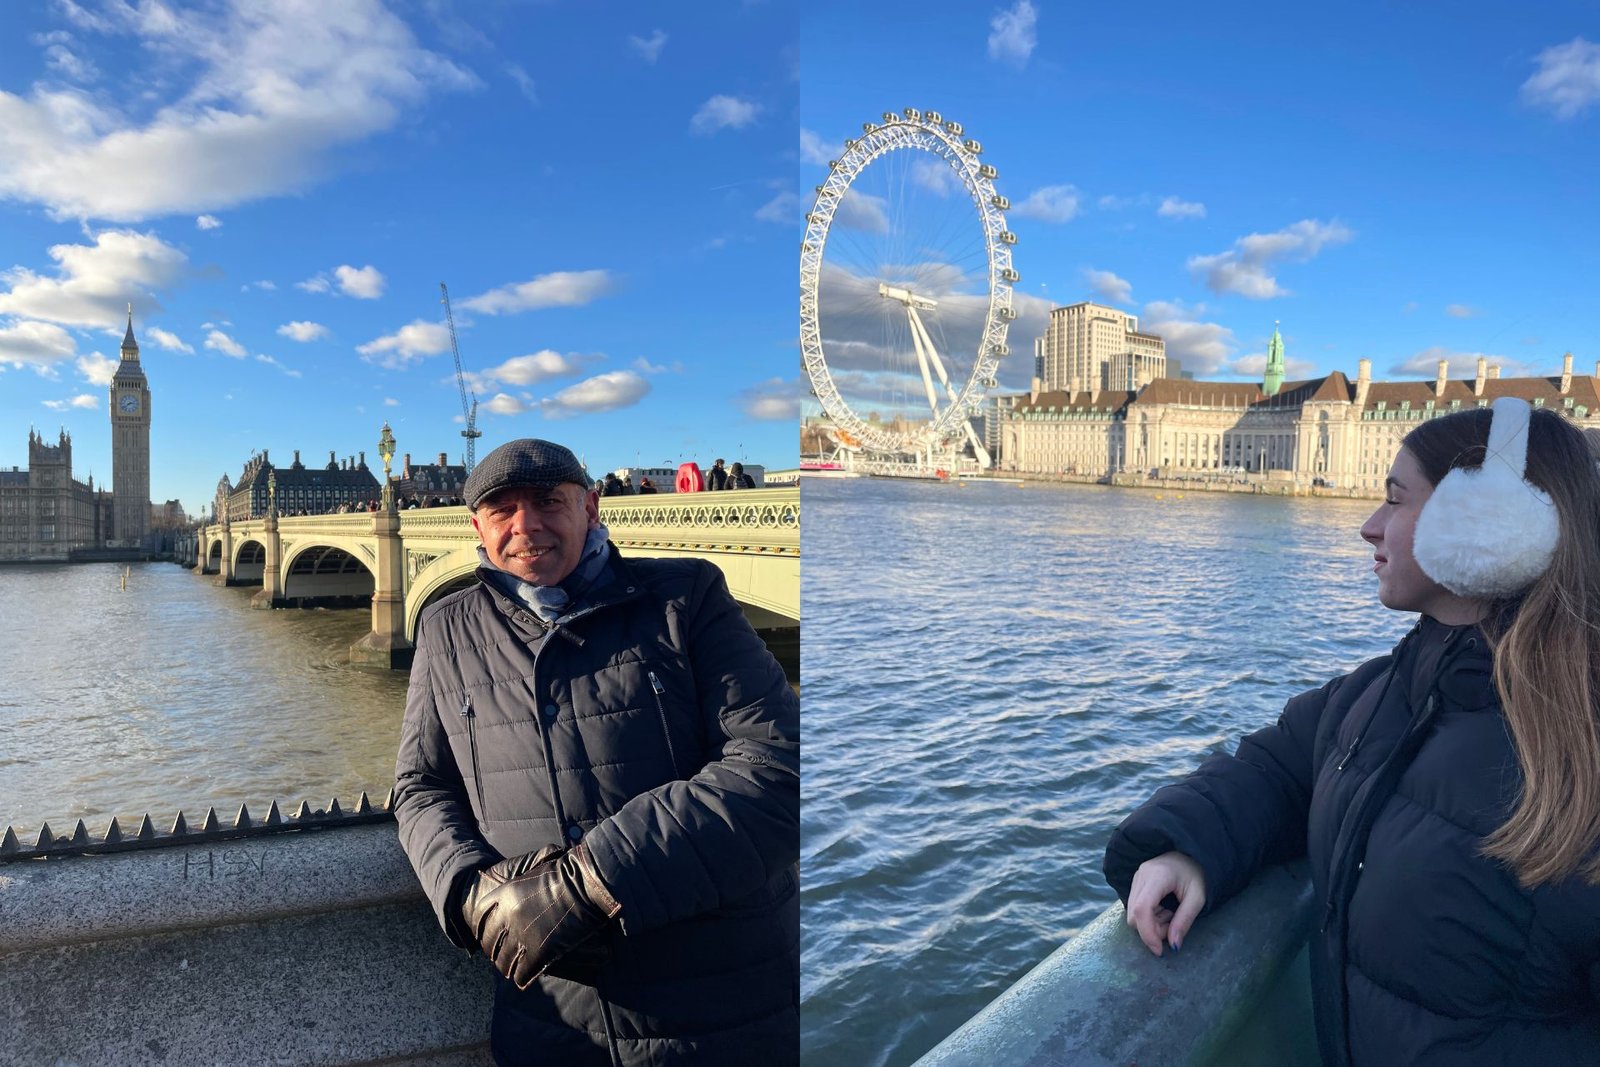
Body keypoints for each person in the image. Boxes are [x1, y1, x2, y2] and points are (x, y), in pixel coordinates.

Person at [1103, 397, 1600, 1065]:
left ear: (1490, 528)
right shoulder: (1384, 689)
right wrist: (1186, 848)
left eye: (1396, 501)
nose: (1368, 527)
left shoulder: (1583, 753)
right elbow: (1279, 766)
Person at [394, 438, 799, 1066]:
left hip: (719, 1012)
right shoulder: (447, 628)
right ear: (475, 525)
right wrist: (469, 893)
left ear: (591, 506)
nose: (525, 526)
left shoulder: (686, 597)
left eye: (548, 502)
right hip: (551, 1020)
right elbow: (421, 785)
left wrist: (590, 880)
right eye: (501, 510)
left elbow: (778, 767)